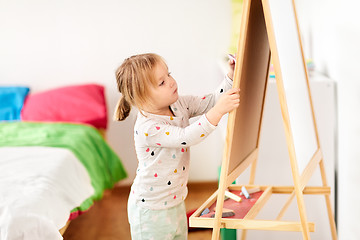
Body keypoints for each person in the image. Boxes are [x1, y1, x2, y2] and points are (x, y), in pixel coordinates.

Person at [114, 53, 239, 240]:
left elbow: (213, 100)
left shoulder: (179, 104)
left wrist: (230, 76)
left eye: (169, 75)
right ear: (143, 97)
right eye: (162, 83)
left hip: (176, 202)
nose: (172, 82)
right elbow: (186, 136)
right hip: (150, 210)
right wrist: (219, 111)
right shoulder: (147, 127)